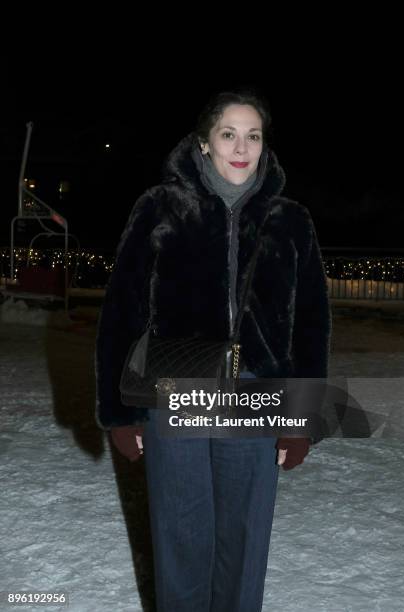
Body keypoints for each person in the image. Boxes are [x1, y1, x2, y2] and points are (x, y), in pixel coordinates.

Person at [95, 89, 332, 611]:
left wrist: (301, 419)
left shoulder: (291, 220)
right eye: (229, 134)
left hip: (255, 393)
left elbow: (311, 325)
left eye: (253, 135)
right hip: (176, 389)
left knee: (244, 536)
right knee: (181, 532)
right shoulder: (159, 207)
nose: (241, 147)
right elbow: (121, 312)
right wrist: (118, 414)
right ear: (204, 144)